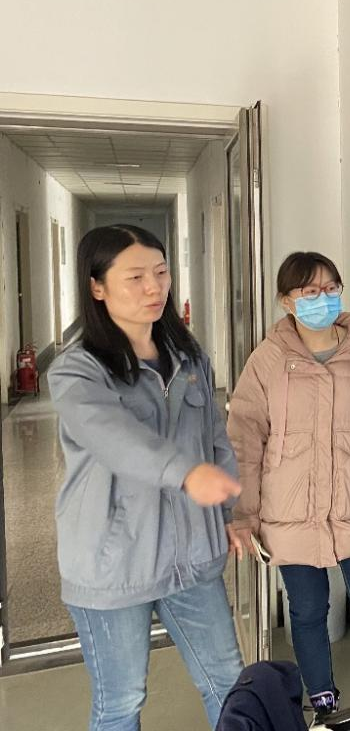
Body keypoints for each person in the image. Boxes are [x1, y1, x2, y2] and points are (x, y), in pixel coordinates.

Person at [48, 224, 243, 731]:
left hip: (192, 557)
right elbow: (112, 436)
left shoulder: (190, 358)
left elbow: (215, 438)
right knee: (121, 701)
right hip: (115, 562)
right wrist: (186, 472)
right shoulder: (76, 370)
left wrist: (229, 513)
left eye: (161, 272)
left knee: (229, 683)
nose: (154, 287)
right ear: (97, 287)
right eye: (135, 277)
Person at [227, 251, 350, 719]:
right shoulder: (267, 360)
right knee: (308, 610)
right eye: (310, 291)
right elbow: (245, 440)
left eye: (331, 289)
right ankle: (324, 706)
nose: (323, 299)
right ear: (286, 300)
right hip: (289, 509)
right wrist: (244, 513)